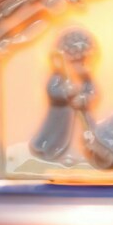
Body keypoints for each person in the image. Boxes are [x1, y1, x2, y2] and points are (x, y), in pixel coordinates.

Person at [29, 28, 96, 162]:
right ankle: (52, 150)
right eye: (75, 62)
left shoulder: (85, 79)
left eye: (83, 61)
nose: (80, 66)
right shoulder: (59, 77)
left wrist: (83, 99)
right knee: (57, 135)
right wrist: (65, 92)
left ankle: (80, 153)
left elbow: (92, 92)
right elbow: (52, 90)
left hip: (82, 115)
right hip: (62, 116)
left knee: (85, 133)